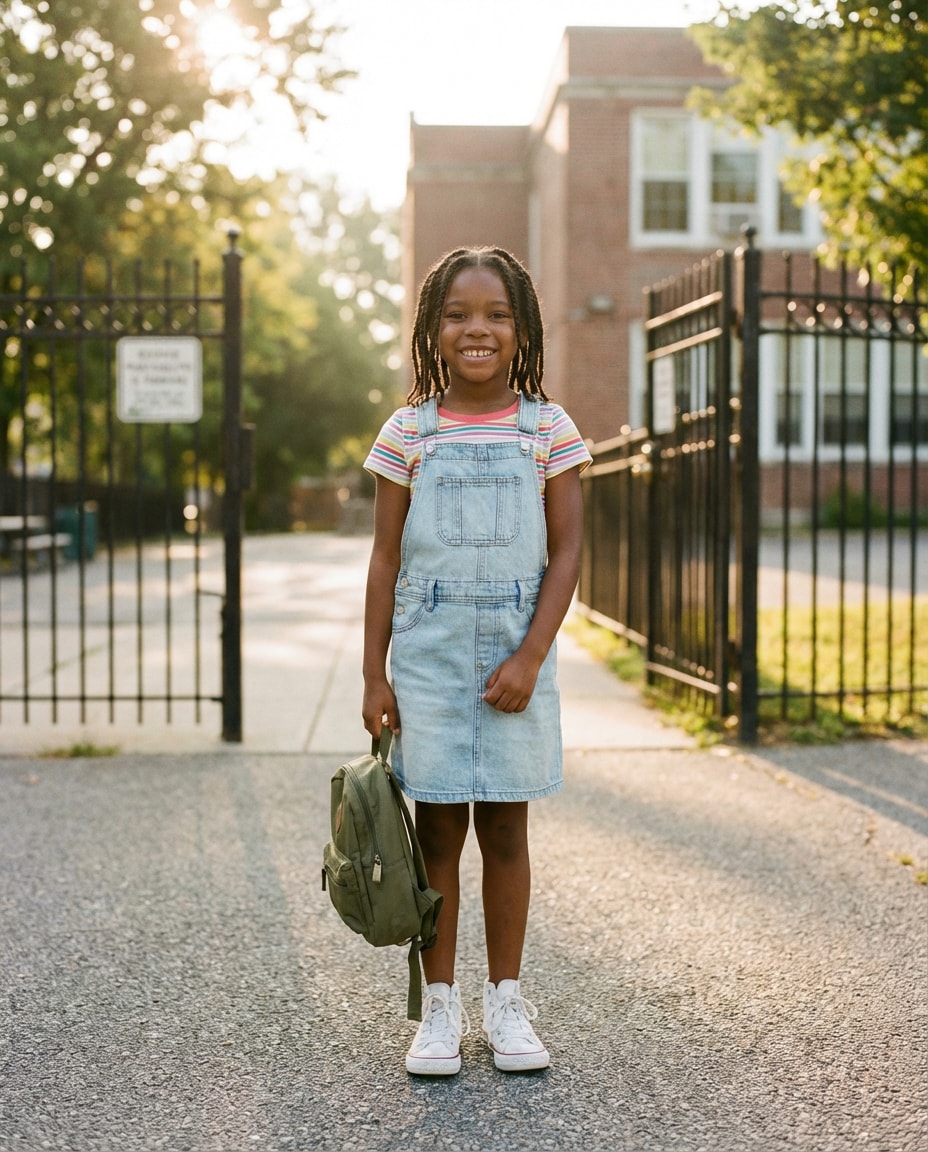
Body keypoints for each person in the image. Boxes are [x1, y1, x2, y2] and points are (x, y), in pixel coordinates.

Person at [361, 246, 591, 1076]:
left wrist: (531, 655)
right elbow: (385, 559)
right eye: (457, 315)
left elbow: (567, 554)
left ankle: (506, 1001)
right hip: (428, 659)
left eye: (496, 314)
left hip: (513, 658)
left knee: (503, 828)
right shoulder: (408, 432)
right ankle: (439, 1008)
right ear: (432, 329)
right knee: (436, 833)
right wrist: (374, 672)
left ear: (523, 328)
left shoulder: (548, 429)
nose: (477, 330)